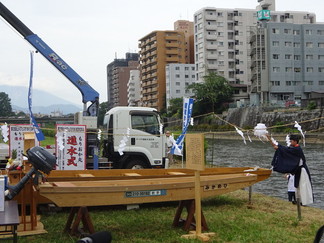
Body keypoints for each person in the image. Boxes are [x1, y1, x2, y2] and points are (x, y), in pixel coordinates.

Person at [267, 134, 313, 205]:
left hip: (302, 170)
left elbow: (286, 150)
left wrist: (278, 148)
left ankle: (302, 201)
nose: (290, 142)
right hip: (298, 170)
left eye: (291, 141)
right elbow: (287, 149)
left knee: (302, 186)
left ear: (295, 141)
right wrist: (277, 146)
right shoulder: (294, 148)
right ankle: (298, 200)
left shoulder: (297, 149)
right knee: (297, 186)